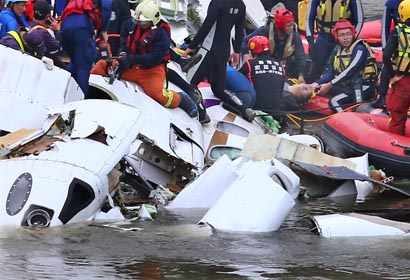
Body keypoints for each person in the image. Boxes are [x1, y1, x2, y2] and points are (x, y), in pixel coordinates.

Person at [91, 0, 198, 117]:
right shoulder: (131, 25)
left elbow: (155, 58)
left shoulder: (161, 35)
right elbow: (124, 40)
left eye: (142, 21)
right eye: (137, 20)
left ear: (152, 21)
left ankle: (181, 99)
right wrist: (123, 54)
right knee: (101, 66)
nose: (138, 23)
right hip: (130, 65)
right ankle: (87, 92)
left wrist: (131, 60)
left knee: (159, 95)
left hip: (150, 71)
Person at [182, 0, 250, 121]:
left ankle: (202, 114)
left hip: (208, 49)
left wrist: (191, 47)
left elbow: (207, 25)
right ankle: (243, 108)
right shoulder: (240, 4)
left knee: (189, 82)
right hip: (224, 51)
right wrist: (237, 51)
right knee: (219, 89)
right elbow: (240, 30)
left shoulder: (218, 2)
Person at [311, 19, 378, 113]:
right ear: (337, 37)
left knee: (334, 102)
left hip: (363, 86)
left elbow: (350, 70)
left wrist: (330, 85)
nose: (346, 38)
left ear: (353, 35)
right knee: (319, 88)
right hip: (347, 86)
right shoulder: (336, 50)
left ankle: (348, 120)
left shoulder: (360, 48)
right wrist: (316, 83)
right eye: (342, 35)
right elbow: (330, 73)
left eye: (348, 34)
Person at [60, 0, 111, 97]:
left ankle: (64, 93)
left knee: (74, 61)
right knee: (83, 66)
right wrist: (104, 29)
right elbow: (106, 6)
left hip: (65, 27)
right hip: (82, 28)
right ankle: (82, 100)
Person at [241, 8, 306, 82]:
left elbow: (301, 57)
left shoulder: (295, 37)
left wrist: (301, 75)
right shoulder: (265, 31)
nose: (291, 28)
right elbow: (245, 41)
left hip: (281, 70)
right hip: (263, 67)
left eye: (292, 25)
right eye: (288, 26)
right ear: (280, 25)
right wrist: (246, 54)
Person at [306, 0, 364, 83]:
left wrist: (350, 39)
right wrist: (310, 41)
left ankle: (336, 86)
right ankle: (313, 85)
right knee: (316, 68)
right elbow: (309, 18)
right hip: (323, 38)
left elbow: (360, 20)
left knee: (336, 67)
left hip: (341, 41)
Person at [383, 0, 410, 135]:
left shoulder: (397, 32)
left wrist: (393, 75)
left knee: (398, 114)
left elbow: (386, 55)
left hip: (402, 80)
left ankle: (396, 141)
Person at [371, 0, 402, 108]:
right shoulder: (391, 3)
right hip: (397, 40)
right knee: (386, 69)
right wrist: (385, 48)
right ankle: (382, 97)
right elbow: (385, 26)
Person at [29, 1, 65, 68]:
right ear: (48, 16)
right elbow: (61, 49)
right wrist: (57, 30)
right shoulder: (43, 33)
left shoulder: (30, 28)